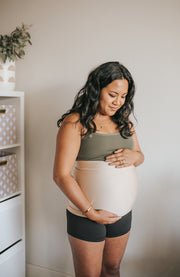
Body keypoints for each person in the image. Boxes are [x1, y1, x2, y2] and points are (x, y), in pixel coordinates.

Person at [53, 61, 144, 277]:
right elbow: (61, 175)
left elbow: (140, 157)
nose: (118, 102)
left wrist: (134, 156)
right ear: (97, 89)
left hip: (122, 214)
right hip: (86, 215)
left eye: (123, 97)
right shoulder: (75, 123)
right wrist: (91, 213)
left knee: (112, 269)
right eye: (113, 94)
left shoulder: (124, 122)